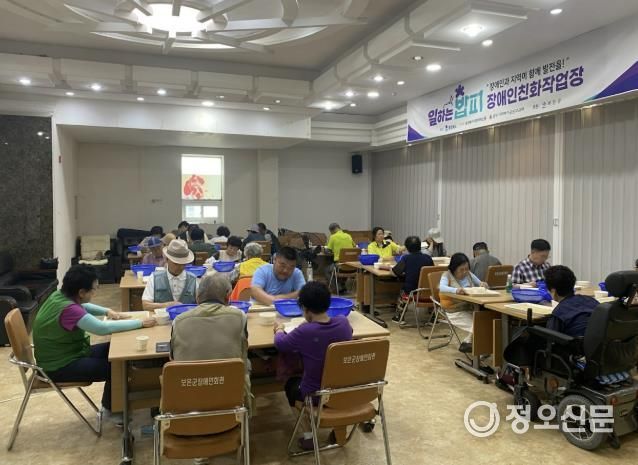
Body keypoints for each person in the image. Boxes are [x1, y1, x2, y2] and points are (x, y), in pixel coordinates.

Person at [32, 264, 156, 420]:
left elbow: (83, 305)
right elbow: (101, 328)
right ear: (81, 292)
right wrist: (140, 323)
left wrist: (107, 311)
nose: (95, 292)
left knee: (116, 351)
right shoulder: (69, 310)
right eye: (93, 289)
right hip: (59, 366)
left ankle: (115, 404)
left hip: (68, 354)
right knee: (117, 367)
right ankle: (112, 410)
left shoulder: (59, 295)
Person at [274, 281, 353, 448]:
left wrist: (279, 330)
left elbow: (281, 344)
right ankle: (339, 431)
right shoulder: (343, 323)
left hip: (315, 394)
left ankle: (309, 435)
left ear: (305, 309)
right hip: (344, 390)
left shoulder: (305, 331)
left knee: (290, 385)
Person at [170, 273, 251, 404]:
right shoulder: (240, 317)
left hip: (187, 400)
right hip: (231, 399)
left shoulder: (178, 321)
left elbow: (172, 357)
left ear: (197, 297)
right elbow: (244, 347)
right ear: (227, 298)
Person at [439, 253, 488, 353]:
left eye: (467, 269)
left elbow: (480, 283)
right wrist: (456, 290)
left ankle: (468, 343)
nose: (465, 272)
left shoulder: (468, 274)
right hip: (454, 311)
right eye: (461, 270)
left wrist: (483, 284)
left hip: (469, 307)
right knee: (479, 326)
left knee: (485, 322)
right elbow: (442, 287)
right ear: (454, 268)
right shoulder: (447, 275)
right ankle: (477, 348)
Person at [142, 239, 198, 311]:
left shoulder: (193, 279)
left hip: (186, 317)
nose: (180, 267)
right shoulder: (154, 278)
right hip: (161, 318)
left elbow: (201, 305)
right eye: (176, 263)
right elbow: (146, 305)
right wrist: (167, 305)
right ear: (166, 259)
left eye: (183, 264)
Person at [390, 235, 434, 323]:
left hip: (411, 292)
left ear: (407, 248)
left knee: (403, 291)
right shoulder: (428, 258)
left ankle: (399, 316)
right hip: (428, 292)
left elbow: (395, 273)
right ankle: (433, 317)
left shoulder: (406, 258)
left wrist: (389, 269)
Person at [545, 265, 598, 337]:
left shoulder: (558, 313)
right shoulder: (592, 300)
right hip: (601, 342)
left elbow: (550, 337)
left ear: (553, 291)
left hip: (574, 343)